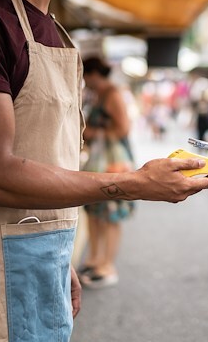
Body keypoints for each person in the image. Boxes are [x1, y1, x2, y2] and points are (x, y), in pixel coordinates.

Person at [0, 0, 208, 341]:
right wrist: (133, 183)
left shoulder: (51, 27)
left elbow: (43, 155)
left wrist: (62, 258)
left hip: (44, 255)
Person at [79, 56, 136, 288]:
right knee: (94, 211)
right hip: (100, 160)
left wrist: (95, 133)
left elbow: (124, 128)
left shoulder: (112, 94)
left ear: (93, 74)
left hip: (113, 160)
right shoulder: (99, 94)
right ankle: (95, 259)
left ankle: (107, 265)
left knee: (111, 213)